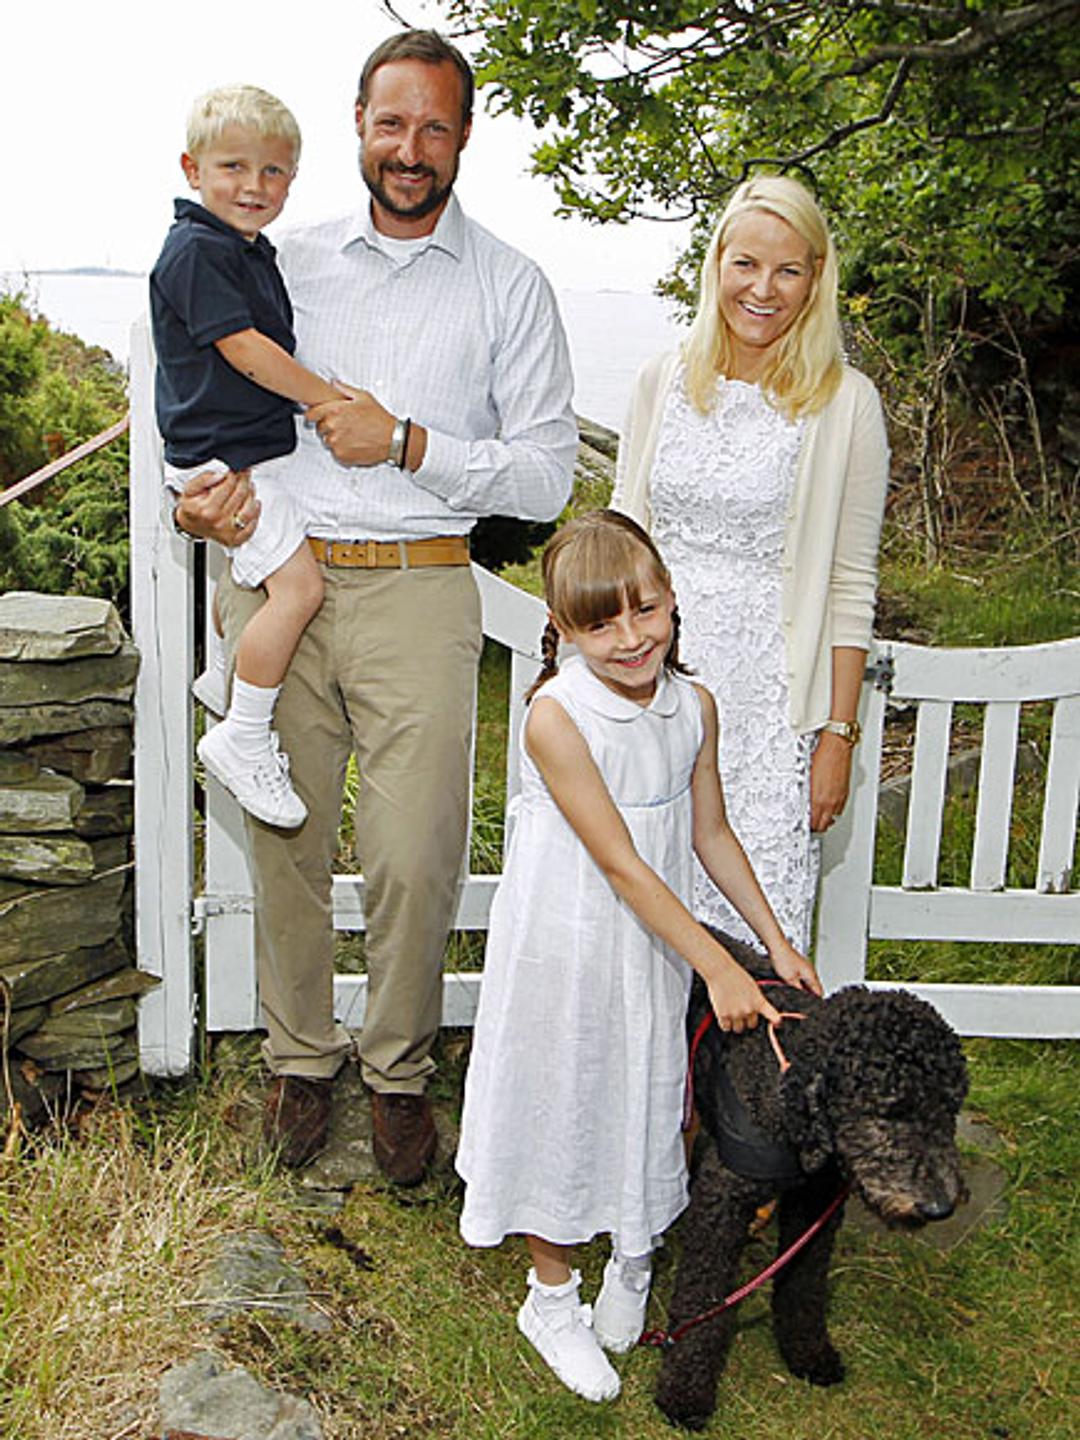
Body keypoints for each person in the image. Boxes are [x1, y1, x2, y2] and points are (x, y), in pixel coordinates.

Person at [172, 31, 577, 1182]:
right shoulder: (279, 261)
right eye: (392, 123)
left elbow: (547, 475)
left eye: (434, 127)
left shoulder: (510, 285)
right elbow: (204, 387)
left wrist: (408, 442)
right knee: (283, 838)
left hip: (421, 583)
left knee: (415, 851)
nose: (411, 148)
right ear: (357, 123)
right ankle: (301, 1060)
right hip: (282, 582)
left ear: (464, 138)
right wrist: (201, 499)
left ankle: (398, 1072)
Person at [455, 511, 821, 1403]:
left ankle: (632, 1250)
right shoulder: (556, 718)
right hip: (568, 940)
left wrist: (773, 944)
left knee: (650, 1090)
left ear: (670, 599)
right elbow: (620, 864)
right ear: (563, 628)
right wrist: (716, 967)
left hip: (650, 944)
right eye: (600, 624)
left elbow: (711, 833)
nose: (630, 639)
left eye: (644, 611)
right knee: (565, 1093)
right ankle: (550, 1294)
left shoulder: (693, 707)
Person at [613, 175, 889, 955]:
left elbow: (850, 586)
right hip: (647, 687)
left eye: (787, 270)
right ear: (717, 265)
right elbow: (620, 541)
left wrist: (837, 736)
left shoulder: (847, 404)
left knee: (755, 946)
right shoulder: (661, 381)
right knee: (636, 925)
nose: (762, 290)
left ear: (816, 279)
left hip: (768, 713)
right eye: (746, 264)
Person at [152, 84, 349, 829]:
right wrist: (325, 400)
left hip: (244, 453)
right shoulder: (198, 251)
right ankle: (242, 731)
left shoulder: (242, 249)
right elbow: (245, 350)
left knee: (265, 566)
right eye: (232, 166)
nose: (253, 185)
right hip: (222, 462)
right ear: (192, 169)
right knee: (298, 591)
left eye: (272, 171)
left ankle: (224, 674)